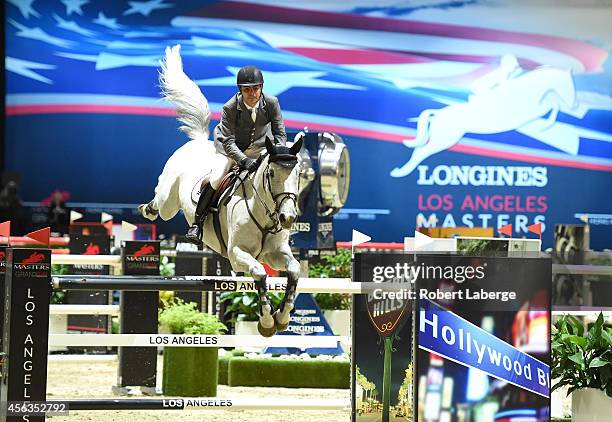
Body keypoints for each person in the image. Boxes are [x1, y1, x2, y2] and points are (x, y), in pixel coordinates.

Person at [185, 65, 287, 244]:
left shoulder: (272, 103)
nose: (252, 93)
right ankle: (197, 224)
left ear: (261, 87)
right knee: (216, 178)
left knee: (276, 176)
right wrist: (244, 161)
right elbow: (229, 142)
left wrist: (278, 154)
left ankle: (281, 227)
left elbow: (279, 134)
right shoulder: (230, 107)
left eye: (255, 88)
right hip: (230, 149)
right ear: (240, 90)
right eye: (247, 89)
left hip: (260, 147)